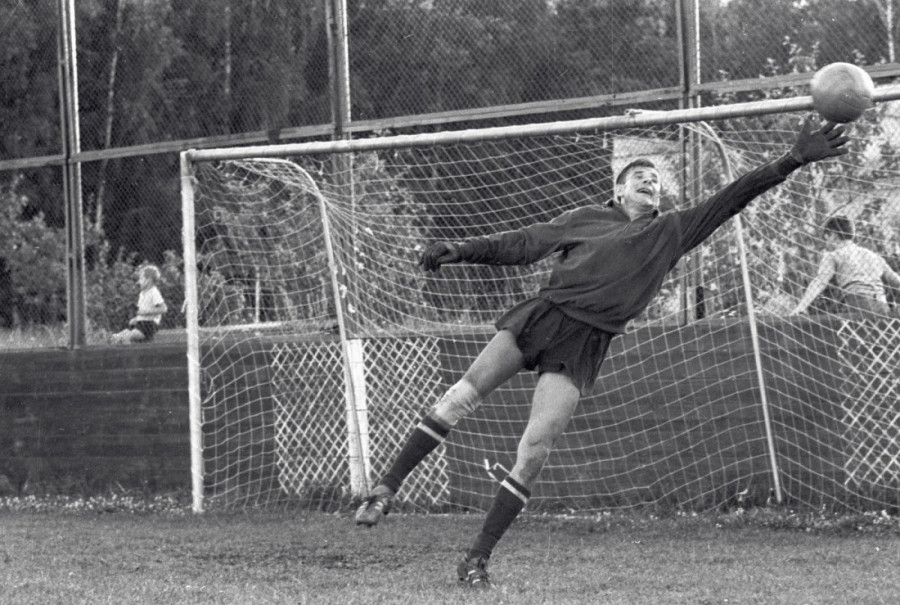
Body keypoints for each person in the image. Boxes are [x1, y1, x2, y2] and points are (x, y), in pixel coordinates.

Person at [353, 117, 849, 588]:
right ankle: (386, 487)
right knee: (459, 398)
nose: (649, 180)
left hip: (586, 342)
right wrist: (458, 249)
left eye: (655, 178)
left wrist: (792, 160)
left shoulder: (671, 231)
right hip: (541, 316)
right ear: (617, 190)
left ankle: (476, 558)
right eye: (639, 174)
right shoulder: (586, 219)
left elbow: (732, 197)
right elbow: (522, 244)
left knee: (534, 452)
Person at [789, 215, 900, 319]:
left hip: (858, 304)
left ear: (833, 235)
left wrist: (801, 307)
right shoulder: (874, 256)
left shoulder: (834, 255)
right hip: (882, 307)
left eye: (826, 238)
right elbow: (897, 282)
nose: (826, 243)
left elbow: (820, 281)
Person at [111, 265, 168, 344]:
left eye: (141, 278)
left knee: (127, 337)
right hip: (141, 323)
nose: (138, 282)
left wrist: (147, 312)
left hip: (150, 325)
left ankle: (131, 354)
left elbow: (164, 308)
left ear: (148, 280)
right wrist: (136, 318)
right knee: (123, 333)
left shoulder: (154, 292)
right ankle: (118, 345)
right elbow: (142, 311)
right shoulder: (142, 294)